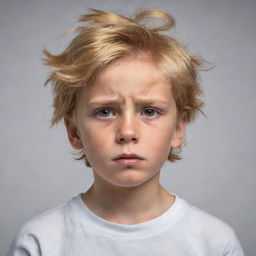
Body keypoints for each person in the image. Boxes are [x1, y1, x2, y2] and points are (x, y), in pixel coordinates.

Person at [7, 8, 244, 256]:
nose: (127, 132)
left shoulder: (215, 243)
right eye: (105, 112)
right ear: (74, 131)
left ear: (178, 128)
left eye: (150, 111)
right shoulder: (40, 242)